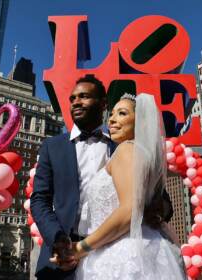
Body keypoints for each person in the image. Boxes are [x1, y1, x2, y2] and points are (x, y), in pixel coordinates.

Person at [31, 76, 173, 279]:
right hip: (61, 259)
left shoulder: (125, 143)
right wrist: (58, 239)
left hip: (116, 253)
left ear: (103, 103)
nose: (76, 102)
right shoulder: (52, 147)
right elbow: (39, 200)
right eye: (72, 99)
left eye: (84, 96)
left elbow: (157, 196)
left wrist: (157, 209)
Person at [69, 93, 186, 279]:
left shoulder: (126, 150)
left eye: (122, 113)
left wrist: (82, 247)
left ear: (141, 122)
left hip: (122, 256)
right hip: (136, 247)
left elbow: (129, 209)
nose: (112, 120)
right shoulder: (141, 154)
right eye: (112, 114)